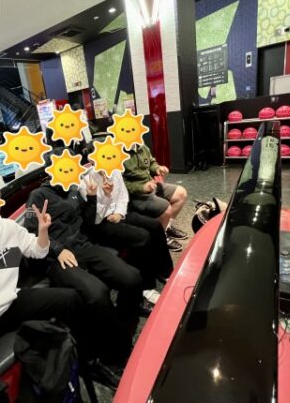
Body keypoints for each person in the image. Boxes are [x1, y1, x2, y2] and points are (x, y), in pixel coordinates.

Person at [0, 172, 116, 403]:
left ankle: (86, 360)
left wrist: (43, 231)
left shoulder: (7, 228)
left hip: (10, 302)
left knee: (77, 299)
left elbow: (37, 250)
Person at [24, 177, 144, 368]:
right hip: (56, 258)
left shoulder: (73, 189)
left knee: (132, 278)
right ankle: (114, 356)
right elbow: (30, 233)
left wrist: (92, 198)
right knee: (97, 293)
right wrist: (57, 249)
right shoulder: (37, 195)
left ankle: (123, 328)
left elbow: (87, 223)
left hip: (83, 246)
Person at [79, 168, 173, 307]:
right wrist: (107, 196)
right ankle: (145, 287)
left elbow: (123, 197)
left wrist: (119, 213)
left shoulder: (114, 170)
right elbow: (94, 218)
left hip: (119, 213)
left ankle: (165, 271)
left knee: (154, 225)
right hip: (101, 222)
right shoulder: (86, 181)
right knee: (141, 237)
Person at [122, 143, 189, 252]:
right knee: (165, 208)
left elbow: (151, 163)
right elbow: (120, 184)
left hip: (151, 185)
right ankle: (161, 237)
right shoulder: (118, 153)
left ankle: (167, 228)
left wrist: (158, 168)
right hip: (134, 195)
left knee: (181, 193)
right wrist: (142, 187)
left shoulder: (141, 146)